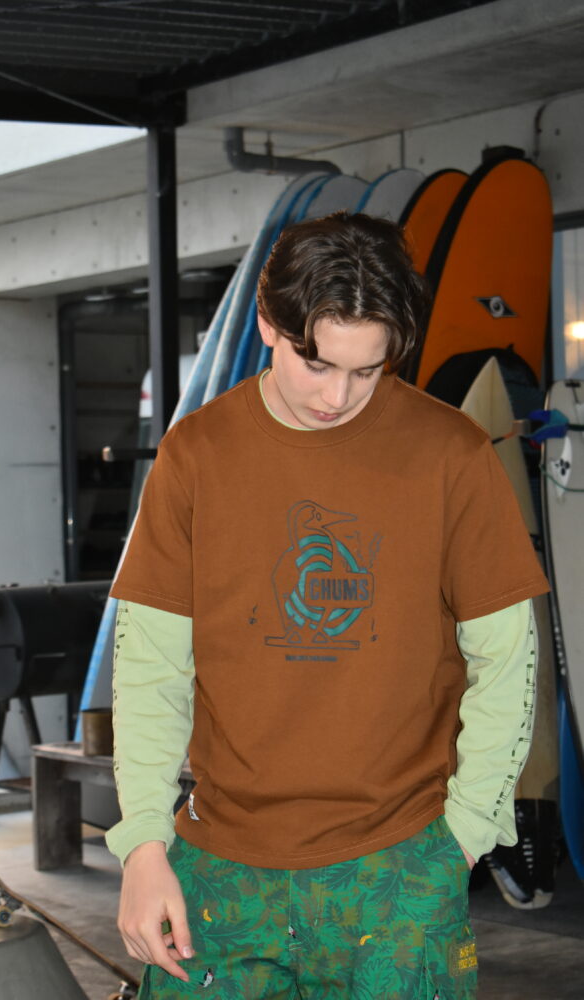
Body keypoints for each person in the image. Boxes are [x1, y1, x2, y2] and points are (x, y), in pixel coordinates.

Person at [105, 212, 548, 999]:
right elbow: (151, 668)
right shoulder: (195, 454)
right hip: (220, 867)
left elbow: (507, 659)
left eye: (367, 370)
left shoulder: (450, 453)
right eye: (316, 363)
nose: (337, 396)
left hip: (400, 865)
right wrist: (142, 844)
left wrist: (464, 835)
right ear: (267, 324)